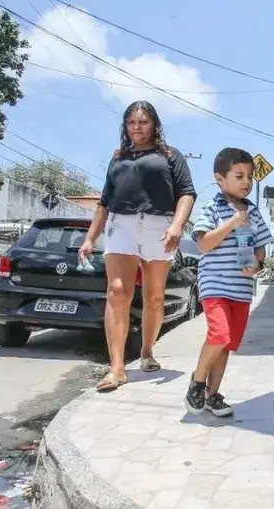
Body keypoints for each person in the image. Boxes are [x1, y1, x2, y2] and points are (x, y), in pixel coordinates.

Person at [79, 100, 197, 392]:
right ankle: (117, 368)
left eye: (142, 123)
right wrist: (89, 238)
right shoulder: (118, 158)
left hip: (159, 226)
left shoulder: (171, 155)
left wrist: (177, 225)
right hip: (123, 225)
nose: (136, 128)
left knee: (155, 296)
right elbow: (104, 203)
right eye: (131, 123)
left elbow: (187, 193)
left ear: (155, 125)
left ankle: (146, 351)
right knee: (118, 291)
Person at [184, 148, 272, 416]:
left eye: (250, 177)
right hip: (215, 284)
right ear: (220, 179)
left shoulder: (254, 211)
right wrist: (232, 223)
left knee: (226, 344)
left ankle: (212, 395)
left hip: (241, 289)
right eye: (239, 175)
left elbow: (261, 248)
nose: (246, 182)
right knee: (218, 334)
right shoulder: (213, 207)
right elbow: (204, 244)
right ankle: (197, 384)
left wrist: (257, 263)